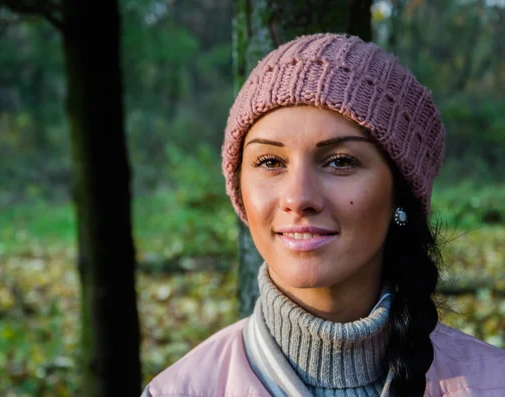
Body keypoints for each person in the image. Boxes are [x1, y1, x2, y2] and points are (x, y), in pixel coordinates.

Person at [140, 33, 505, 397]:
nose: (299, 198)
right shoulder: (181, 390)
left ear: (401, 192)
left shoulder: (493, 383)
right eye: (269, 162)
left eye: (340, 161)